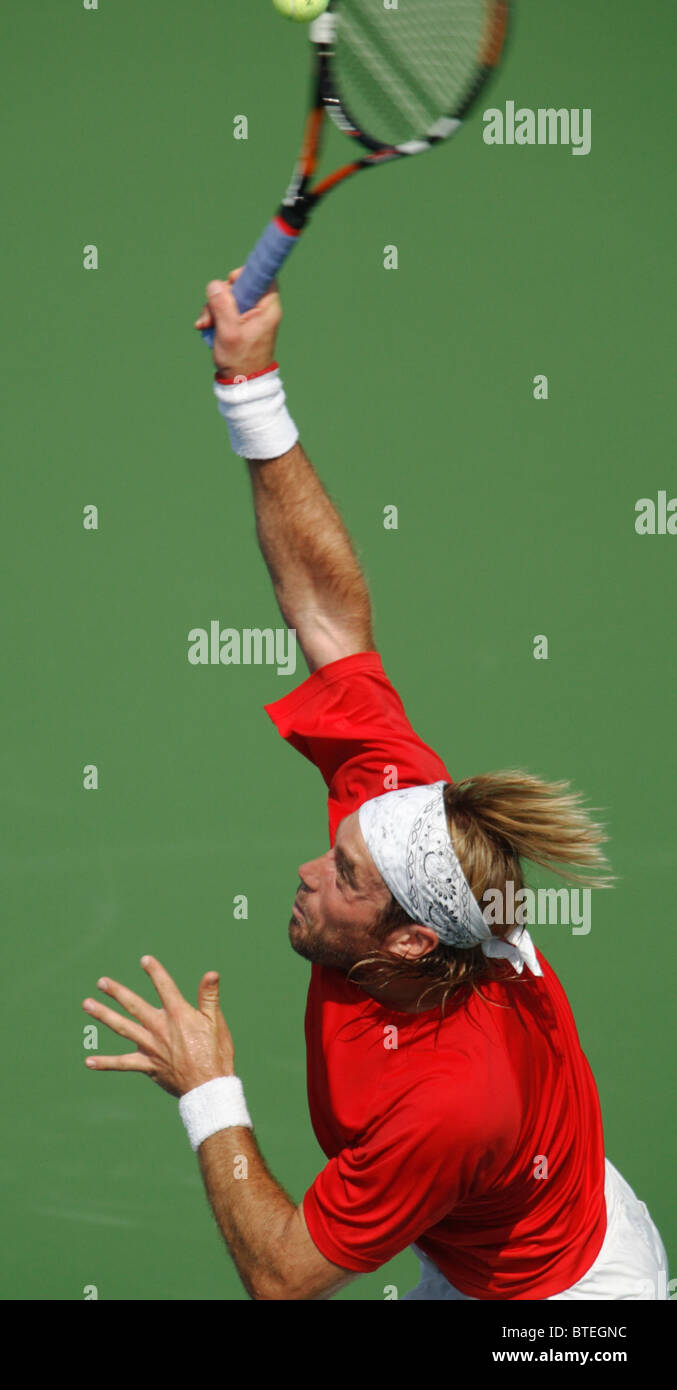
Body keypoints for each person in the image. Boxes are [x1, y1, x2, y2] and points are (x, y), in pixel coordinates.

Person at [79, 271, 668, 1301]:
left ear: (407, 940)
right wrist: (247, 381)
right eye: (337, 844)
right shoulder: (403, 816)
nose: (310, 865)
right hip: (475, 1229)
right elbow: (327, 617)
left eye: (342, 874)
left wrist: (208, 1090)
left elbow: (280, 1274)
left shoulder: (449, 1098)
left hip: (563, 1300)